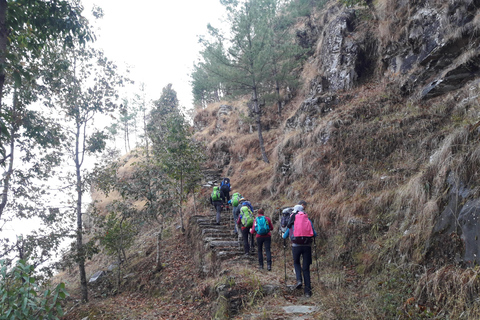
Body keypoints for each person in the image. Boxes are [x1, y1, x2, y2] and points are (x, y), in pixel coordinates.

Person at [283, 200, 317, 298]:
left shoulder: (292, 219)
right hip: (307, 246)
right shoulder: (307, 219)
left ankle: (299, 280)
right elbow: (314, 234)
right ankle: (307, 292)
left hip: (295, 246)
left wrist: (285, 236)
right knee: (306, 268)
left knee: (296, 263)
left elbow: (285, 235)